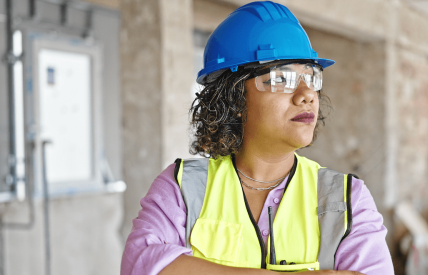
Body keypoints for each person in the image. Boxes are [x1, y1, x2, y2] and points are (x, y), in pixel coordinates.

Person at [121, 1, 393, 274]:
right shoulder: (182, 188)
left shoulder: (346, 198)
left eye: (312, 77)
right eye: (281, 79)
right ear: (234, 98)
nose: (307, 94)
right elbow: (140, 264)